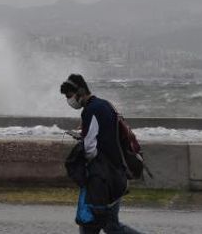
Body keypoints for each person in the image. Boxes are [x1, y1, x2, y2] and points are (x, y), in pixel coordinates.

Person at [60, 74, 143, 234]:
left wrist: (83, 151)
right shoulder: (105, 105)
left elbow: (91, 148)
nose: (69, 101)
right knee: (108, 225)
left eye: (70, 96)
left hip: (103, 178)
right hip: (116, 174)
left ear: (81, 92)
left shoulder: (90, 110)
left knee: (98, 225)